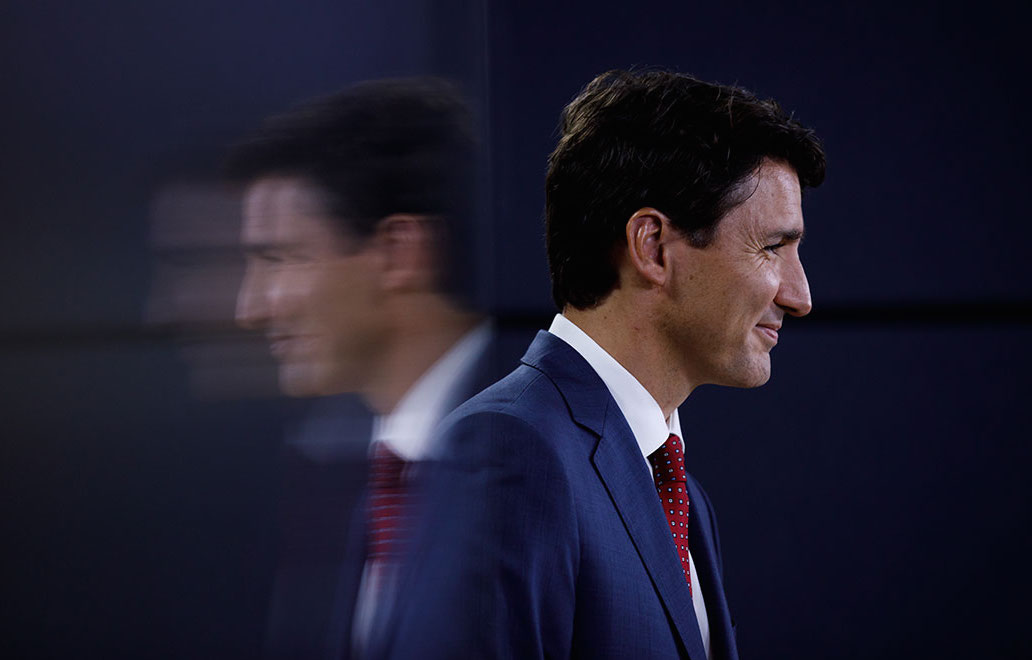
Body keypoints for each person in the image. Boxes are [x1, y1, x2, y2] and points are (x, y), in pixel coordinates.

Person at [382, 69, 826, 660]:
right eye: (772, 247)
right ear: (653, 248)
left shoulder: (679, 491)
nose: (800, 295)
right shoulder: (508, 451)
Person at [227, 78, 506, 659]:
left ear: (398, 252)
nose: (250, 308)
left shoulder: (544, 461)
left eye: (280, 259)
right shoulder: (367, 476)